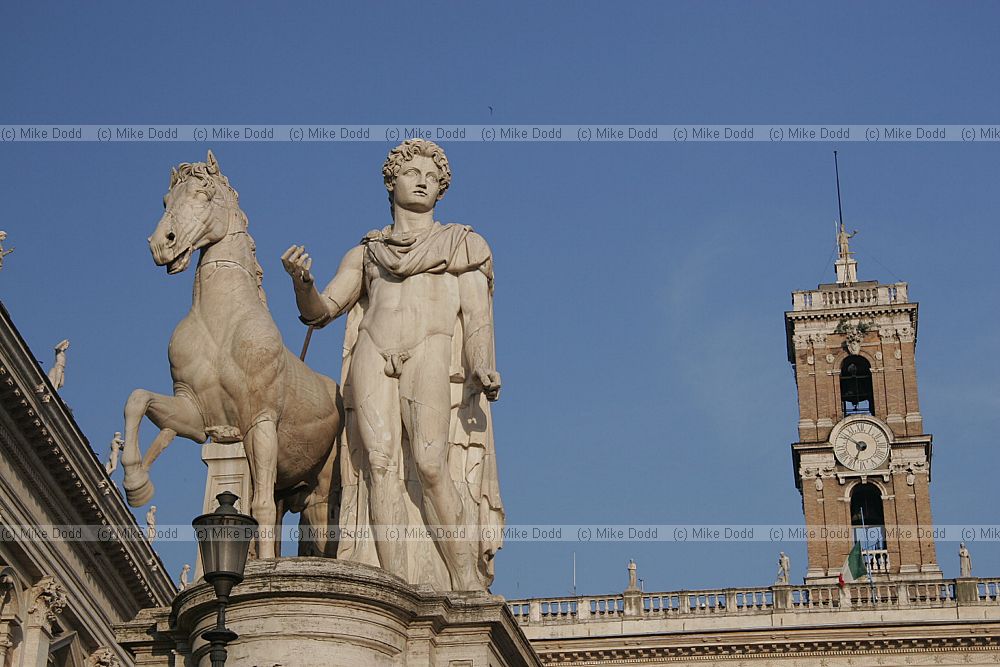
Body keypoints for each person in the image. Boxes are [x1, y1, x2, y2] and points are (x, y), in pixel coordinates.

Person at [281, 139, 502, 591]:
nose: (422, 180)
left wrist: (482, 365)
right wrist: (302, 283)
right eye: (412, 172)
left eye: (432, 177)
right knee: (379, 465)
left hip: (430, 350)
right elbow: (322, 310)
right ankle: (395, 582)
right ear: (391, 180)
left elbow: (477, 318)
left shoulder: (464, 244)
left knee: (430, 461)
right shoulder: (367, 252)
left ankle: (463, 575)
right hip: (373, 350)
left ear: (441, 190)